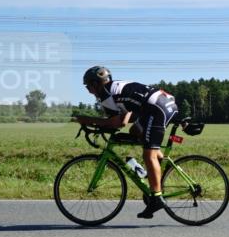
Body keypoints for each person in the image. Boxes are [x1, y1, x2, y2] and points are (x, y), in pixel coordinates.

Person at [75, 66, 178, 218]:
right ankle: (160, 167)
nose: (88, 90)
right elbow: (124, 120)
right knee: (135, 132)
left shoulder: (105, 93)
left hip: (157, 109)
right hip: (159, 104)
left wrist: (86, 120)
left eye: (88, 86)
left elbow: (115, 123)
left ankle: (156, 197)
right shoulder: (115, 89)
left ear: (96, 84)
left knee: (148, 155)